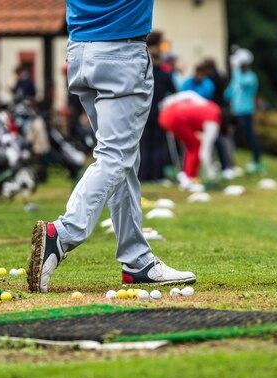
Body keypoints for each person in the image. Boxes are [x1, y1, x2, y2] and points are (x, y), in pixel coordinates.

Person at [27, 0, 196, 293]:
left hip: (81, 52)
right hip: (122, 54)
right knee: (115, 156)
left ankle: (137, 260)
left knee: (123, 157)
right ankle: (62, 234)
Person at [158, 91, 221, 188]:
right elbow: (204, 152)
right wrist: (211, 174)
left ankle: (186, 176)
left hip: (166, 114)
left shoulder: (207, 106)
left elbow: (189, 95)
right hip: (175, 117)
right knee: (195, 146)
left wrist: (166, 103)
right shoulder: (214, 119)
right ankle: (189, 179)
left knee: (192, 145)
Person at [139, 47, 177, 182]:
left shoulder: (142, 74)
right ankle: (158, 175)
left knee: (144, 146)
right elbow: (174, 93)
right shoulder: (165, 75)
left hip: (143, 113)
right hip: (159, 113)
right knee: (158, 146)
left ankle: (144, 176)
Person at [224, 48, 263, 174]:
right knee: (233, 137)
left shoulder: (251, 77)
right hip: (235, 111)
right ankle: (231, 162)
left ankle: (256, 161)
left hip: (246, 111)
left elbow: (242, 83)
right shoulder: (237, 76)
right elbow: (229, 93)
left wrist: (235, 70)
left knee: (249, 136)